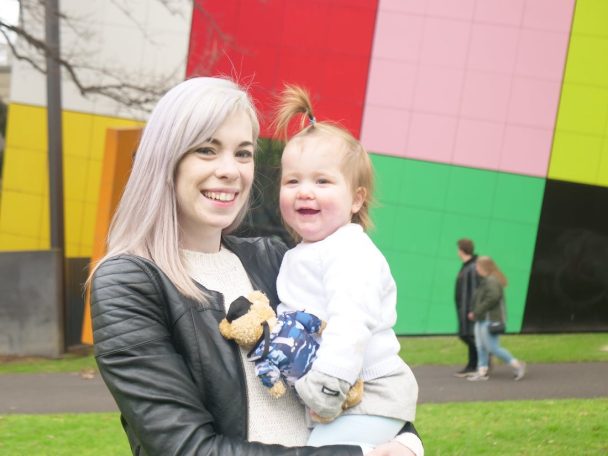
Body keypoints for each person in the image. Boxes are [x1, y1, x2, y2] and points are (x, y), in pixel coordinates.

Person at [88, 76, 422, 455]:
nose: (231, 170)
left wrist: (407, 441)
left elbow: (362, 373)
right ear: (165, 159)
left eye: (243, 153)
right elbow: (186, 448)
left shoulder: (273, 258)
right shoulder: (129, 282)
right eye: (207, 150)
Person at [271, 85, 419, 452]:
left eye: (322, 181)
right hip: (341, 396)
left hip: (368, 392)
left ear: (356, 199)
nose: (305, 191)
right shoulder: (303, 252)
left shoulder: (350, 251)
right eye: (293, 181)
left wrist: (326, 383)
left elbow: (350, 322)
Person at [466, 256, 526, 381]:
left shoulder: (491, 281)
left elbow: (493, 297)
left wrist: (477, 311)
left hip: (489, 320)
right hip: (482, 319)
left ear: (484, 267)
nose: (476, 269)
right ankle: (482, 371)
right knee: (481, 346)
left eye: (477, 266)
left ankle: (517, 365)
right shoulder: (487, 280)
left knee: (493, 348)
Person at [453, 238, 479, 377]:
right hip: (463, 309)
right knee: (467, 335)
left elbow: (475, 290)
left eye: (458, 249)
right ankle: (472, 365)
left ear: (462, 250)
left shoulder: (472, 267)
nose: (457, 252)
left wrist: (473, 310)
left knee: (468, 335)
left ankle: (478, 363)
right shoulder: (467, 266)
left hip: (469, 310)